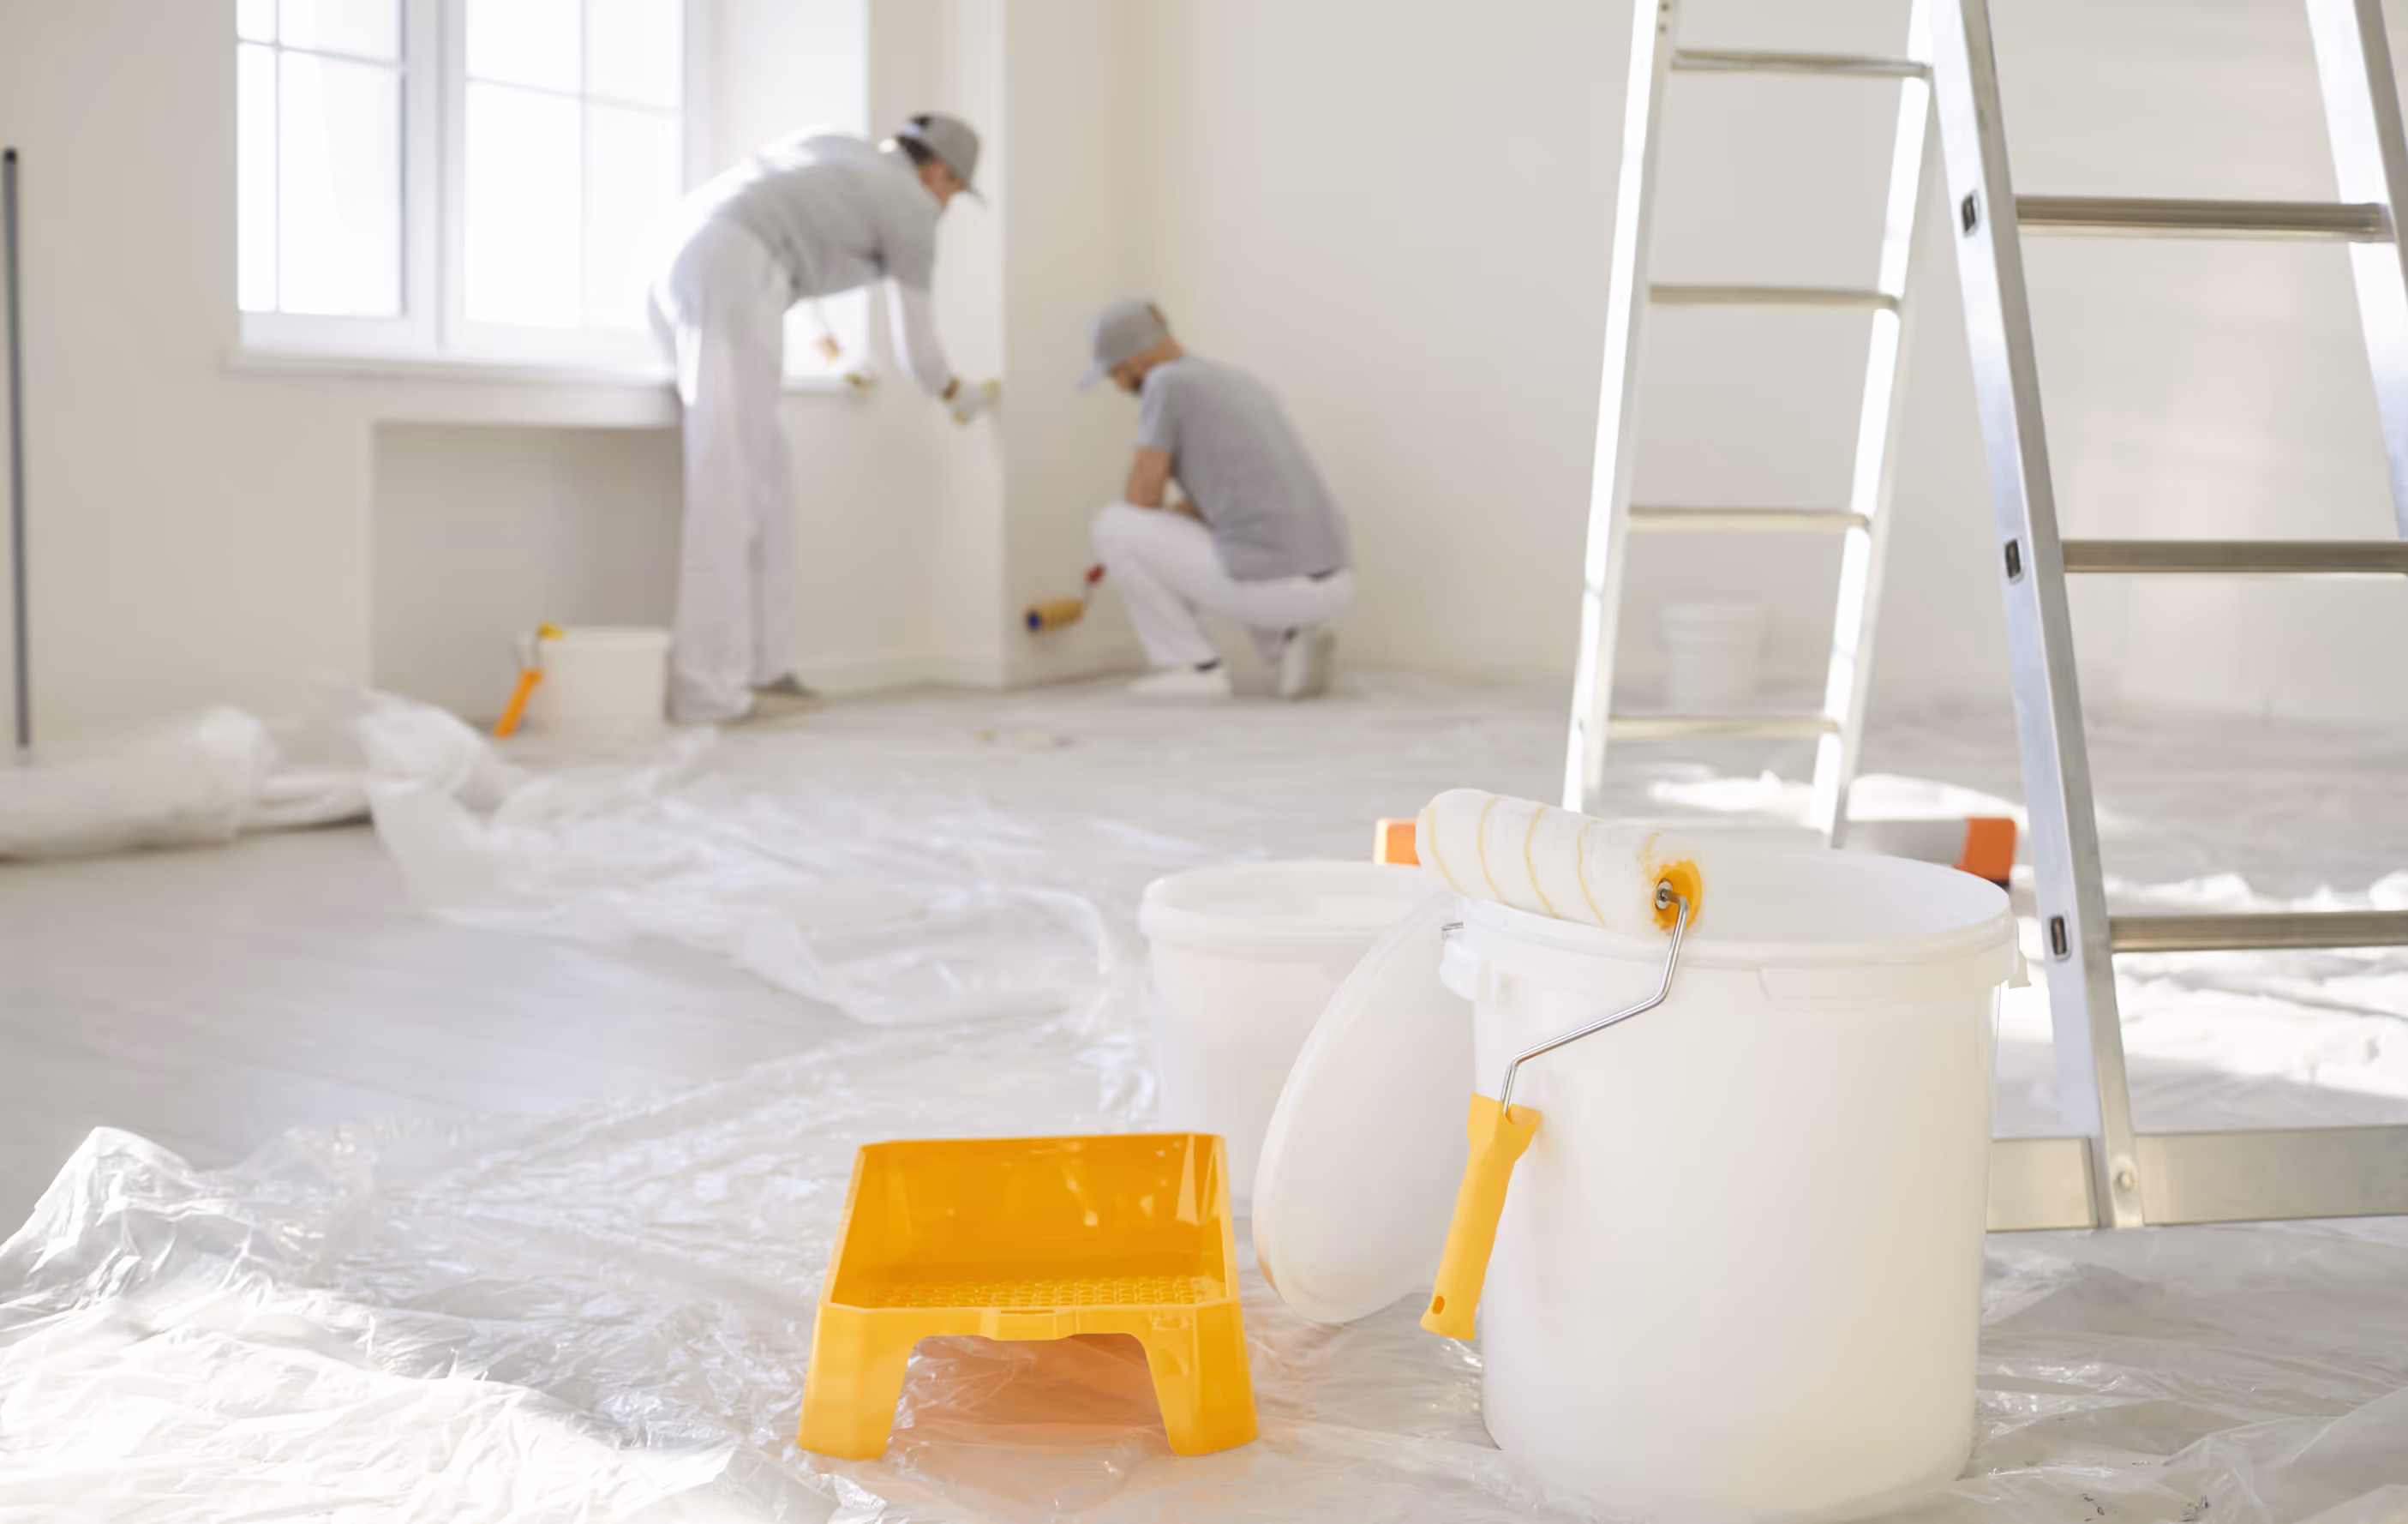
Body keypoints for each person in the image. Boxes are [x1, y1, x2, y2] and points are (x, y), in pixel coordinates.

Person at [650, 114, 994, 725]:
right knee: (726, 484)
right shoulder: (911, 207)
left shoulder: (834, 153)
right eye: (953, 193)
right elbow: (920, 356)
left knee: (768, 478)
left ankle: (765, 668)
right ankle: (707, 690)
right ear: (938, 172)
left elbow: (777, 251)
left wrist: (833, 354)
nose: (946, 207)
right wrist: (961, 396)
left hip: (684, 260)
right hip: (730, 272)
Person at [1081, 302, 1351, 700]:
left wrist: (1148, 538)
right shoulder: (1237, 380)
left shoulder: (1165, 384)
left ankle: (1192, 666)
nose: (1120, 388)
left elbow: (1141, 499)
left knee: (1114, 524)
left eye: (1116, 374)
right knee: (1239, 532)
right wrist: (1173, 525)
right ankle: (1290, 644)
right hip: (1335, 580)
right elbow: (1236, 497)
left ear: (1135, 360)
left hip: (1278, 590)